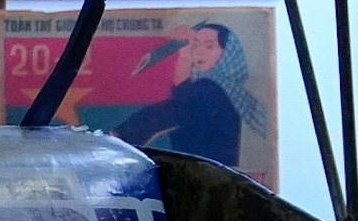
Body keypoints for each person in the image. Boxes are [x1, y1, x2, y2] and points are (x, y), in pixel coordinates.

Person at [113, 21, 267, 170]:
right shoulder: (211, 88)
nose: (198, 52)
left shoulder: (212, 88)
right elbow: (183, 100)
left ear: (228, 52)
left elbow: (175, 107)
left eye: (209, 46)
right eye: (195, 45)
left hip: (205, 174)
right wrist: (185, 56)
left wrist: (120, 136)